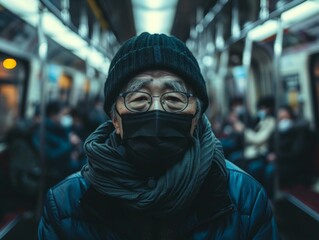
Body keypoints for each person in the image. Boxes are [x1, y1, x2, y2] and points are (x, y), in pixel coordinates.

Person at [37, 32, 280, 239]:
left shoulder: (246, 199)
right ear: (115, 120)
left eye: (174, 99)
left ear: (196, 117)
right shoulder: (65, 204)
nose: (156, 110)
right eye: (138, 99)